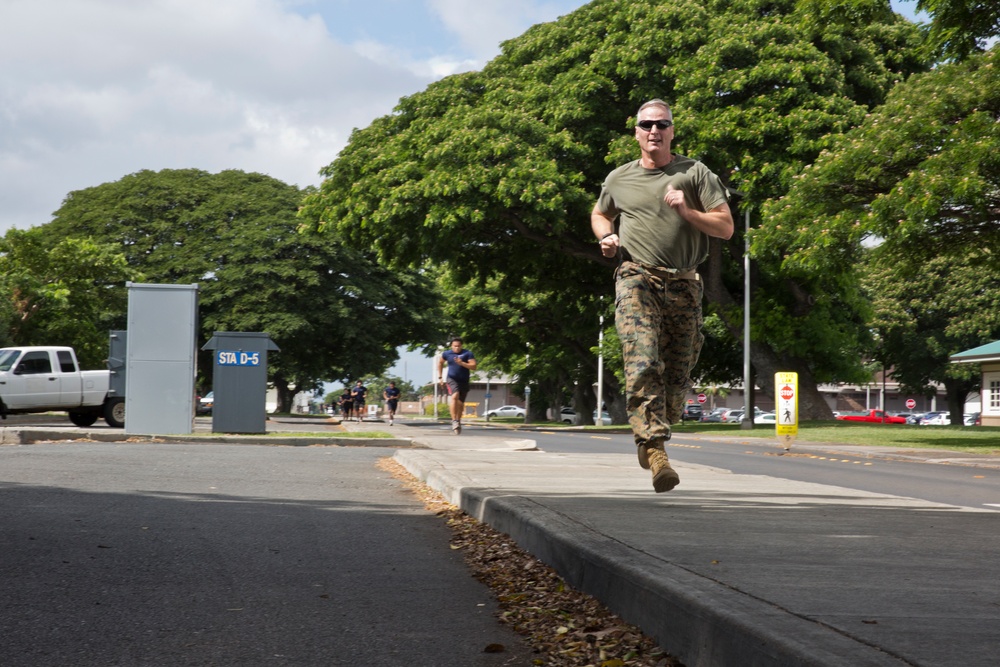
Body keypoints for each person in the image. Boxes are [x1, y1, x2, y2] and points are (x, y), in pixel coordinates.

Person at [591, 99, 734, 493]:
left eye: (662, 124)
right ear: (635, 131)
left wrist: (687, 212)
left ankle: (656, 428)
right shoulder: (619, 178)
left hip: (686, 283)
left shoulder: (695, 173)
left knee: (678, 374)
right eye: (646, 124)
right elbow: (600, 213)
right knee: (643, 359)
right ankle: (655, 450)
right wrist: (606, 237)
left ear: (672, 131)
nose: (654, 131)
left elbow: (724, 228)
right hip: (637, 276)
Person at [438, 337, 477, 434]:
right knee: (454, 396)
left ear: (461, 346)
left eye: (459, 346)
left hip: (464, 380)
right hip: (452, 379)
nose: (457, 348)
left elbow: (474, 366)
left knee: (460, 404)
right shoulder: (447, 354)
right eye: (455, 346)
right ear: (451, 346)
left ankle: (458, 421)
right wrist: (440, 377)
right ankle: (454, 421)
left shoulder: (467, 353)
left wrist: (462, 363)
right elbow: (440, 363)